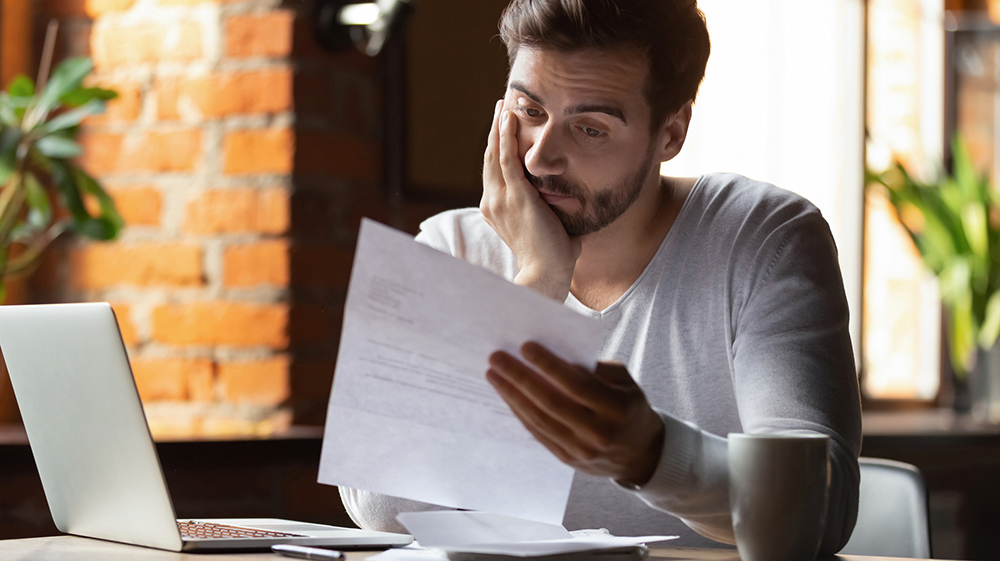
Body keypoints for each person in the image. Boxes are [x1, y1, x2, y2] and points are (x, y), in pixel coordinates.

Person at [341, 0, 862, 553]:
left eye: (590, 129)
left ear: (671, 133)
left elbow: (817, 509)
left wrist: (653, 456)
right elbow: (380, 506)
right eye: (529, 111)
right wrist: (538, 282)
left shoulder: (763, 238)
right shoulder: (451, 246)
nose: (541, 158)